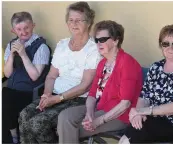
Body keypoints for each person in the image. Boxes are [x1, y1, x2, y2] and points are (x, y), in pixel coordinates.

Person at [18, 2, 102, 143]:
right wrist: (46, 94)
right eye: (70, 20)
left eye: (78, 20)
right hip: (54, 95)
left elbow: (85, 86)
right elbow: (51, 76)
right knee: (24, 115)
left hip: (79, 100)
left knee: (38, 123)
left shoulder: (94, 49)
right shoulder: (62, 44)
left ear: (88, 23)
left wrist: (56, 99)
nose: (73, 23)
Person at [57, 20, 143, 143]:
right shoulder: (103, 63)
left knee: (68, 129)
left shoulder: (127, 63)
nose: (98, 43)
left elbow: (125, 104)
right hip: (100, 108)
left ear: (115, 40)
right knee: (65, 117)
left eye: (103, 39)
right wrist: (89, 113)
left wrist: (98, 121)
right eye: (97, 40)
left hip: (120, 116)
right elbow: (92, 95)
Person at [119, 23, 173, 144]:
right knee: (130, 135)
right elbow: (144, 97)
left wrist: (144, 112)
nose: (170, 48)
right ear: (161, 46)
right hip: (152, 120)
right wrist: (138, 114)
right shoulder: (156, 67)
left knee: (131, 137)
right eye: (165, 44)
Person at [2, 11, 51, 144]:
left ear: (33, 26)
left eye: (26, 28)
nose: (23, 32)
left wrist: (23, 55)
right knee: (5, 96)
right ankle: (9, 136)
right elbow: (7, 74)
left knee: (4, 96)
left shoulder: (42, 47)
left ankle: (13, 138)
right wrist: (12, 55)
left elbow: (35, 76)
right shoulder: (11, 45)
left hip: (29, 93)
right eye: (19, 29)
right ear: (13, 30)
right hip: (11, 91)